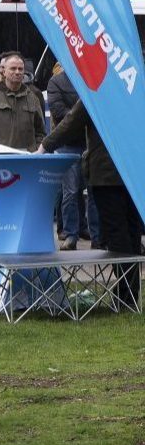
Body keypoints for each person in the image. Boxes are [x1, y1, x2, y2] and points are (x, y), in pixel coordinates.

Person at [40, 100, 139, 305]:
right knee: (132, 233)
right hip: (134, 171)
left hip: (106, 175)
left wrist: (45, 145)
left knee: (117, 235)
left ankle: (126, 296)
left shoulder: (96, 92)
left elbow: (71, 122)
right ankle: (130, 293)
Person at [47, 67, 99, 250]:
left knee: (94, 191)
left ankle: (97, 236)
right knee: (70, 191)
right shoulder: (56, 81)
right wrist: (84, 115)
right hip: (67, 144)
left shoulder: (91, 76)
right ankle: (70, 234)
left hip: (90, 144)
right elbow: (59, 112)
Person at [0, 53, 45, 152]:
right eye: (13, 68)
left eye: (20, 69)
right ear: (4, 72)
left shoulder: (33, 98)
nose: (17, 72)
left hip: (28, 159)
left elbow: (40, 132)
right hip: (0, 159)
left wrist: (36, 151)